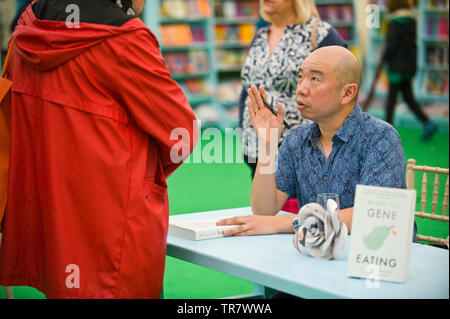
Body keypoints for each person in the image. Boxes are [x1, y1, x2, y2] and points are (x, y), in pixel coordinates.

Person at [0, 0, 198, 298]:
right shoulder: (125, 41)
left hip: (48, 213)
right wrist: (144, 172)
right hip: (112, 219)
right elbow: (181, 133)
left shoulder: (28, 28)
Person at [218, 46, 416, 242]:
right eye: (301, 77)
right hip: (318, 254)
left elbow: (372, 215)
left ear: (347, 93)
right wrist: (268, 145)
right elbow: (264, 210)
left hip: (373, 259)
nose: (301, 89)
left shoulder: (380, 138)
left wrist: (287, 223)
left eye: (314, 79)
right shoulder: (297, 138)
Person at [239, 0, 347, 180]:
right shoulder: (259, 36)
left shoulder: (320, 34)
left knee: (304, 207)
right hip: (257, 147)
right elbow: (247, 90)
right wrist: (244, 133)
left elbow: (344, 86)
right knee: (265, 206)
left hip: (303, 149)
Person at [383, 0, 437, 140]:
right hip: (408, 67)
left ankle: (385, 133)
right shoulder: (412, 22)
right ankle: (428, 123)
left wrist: (384, 59)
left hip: (395, 67)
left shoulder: (394, 23)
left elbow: (391, 47)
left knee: (391, 100)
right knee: (408, 98)